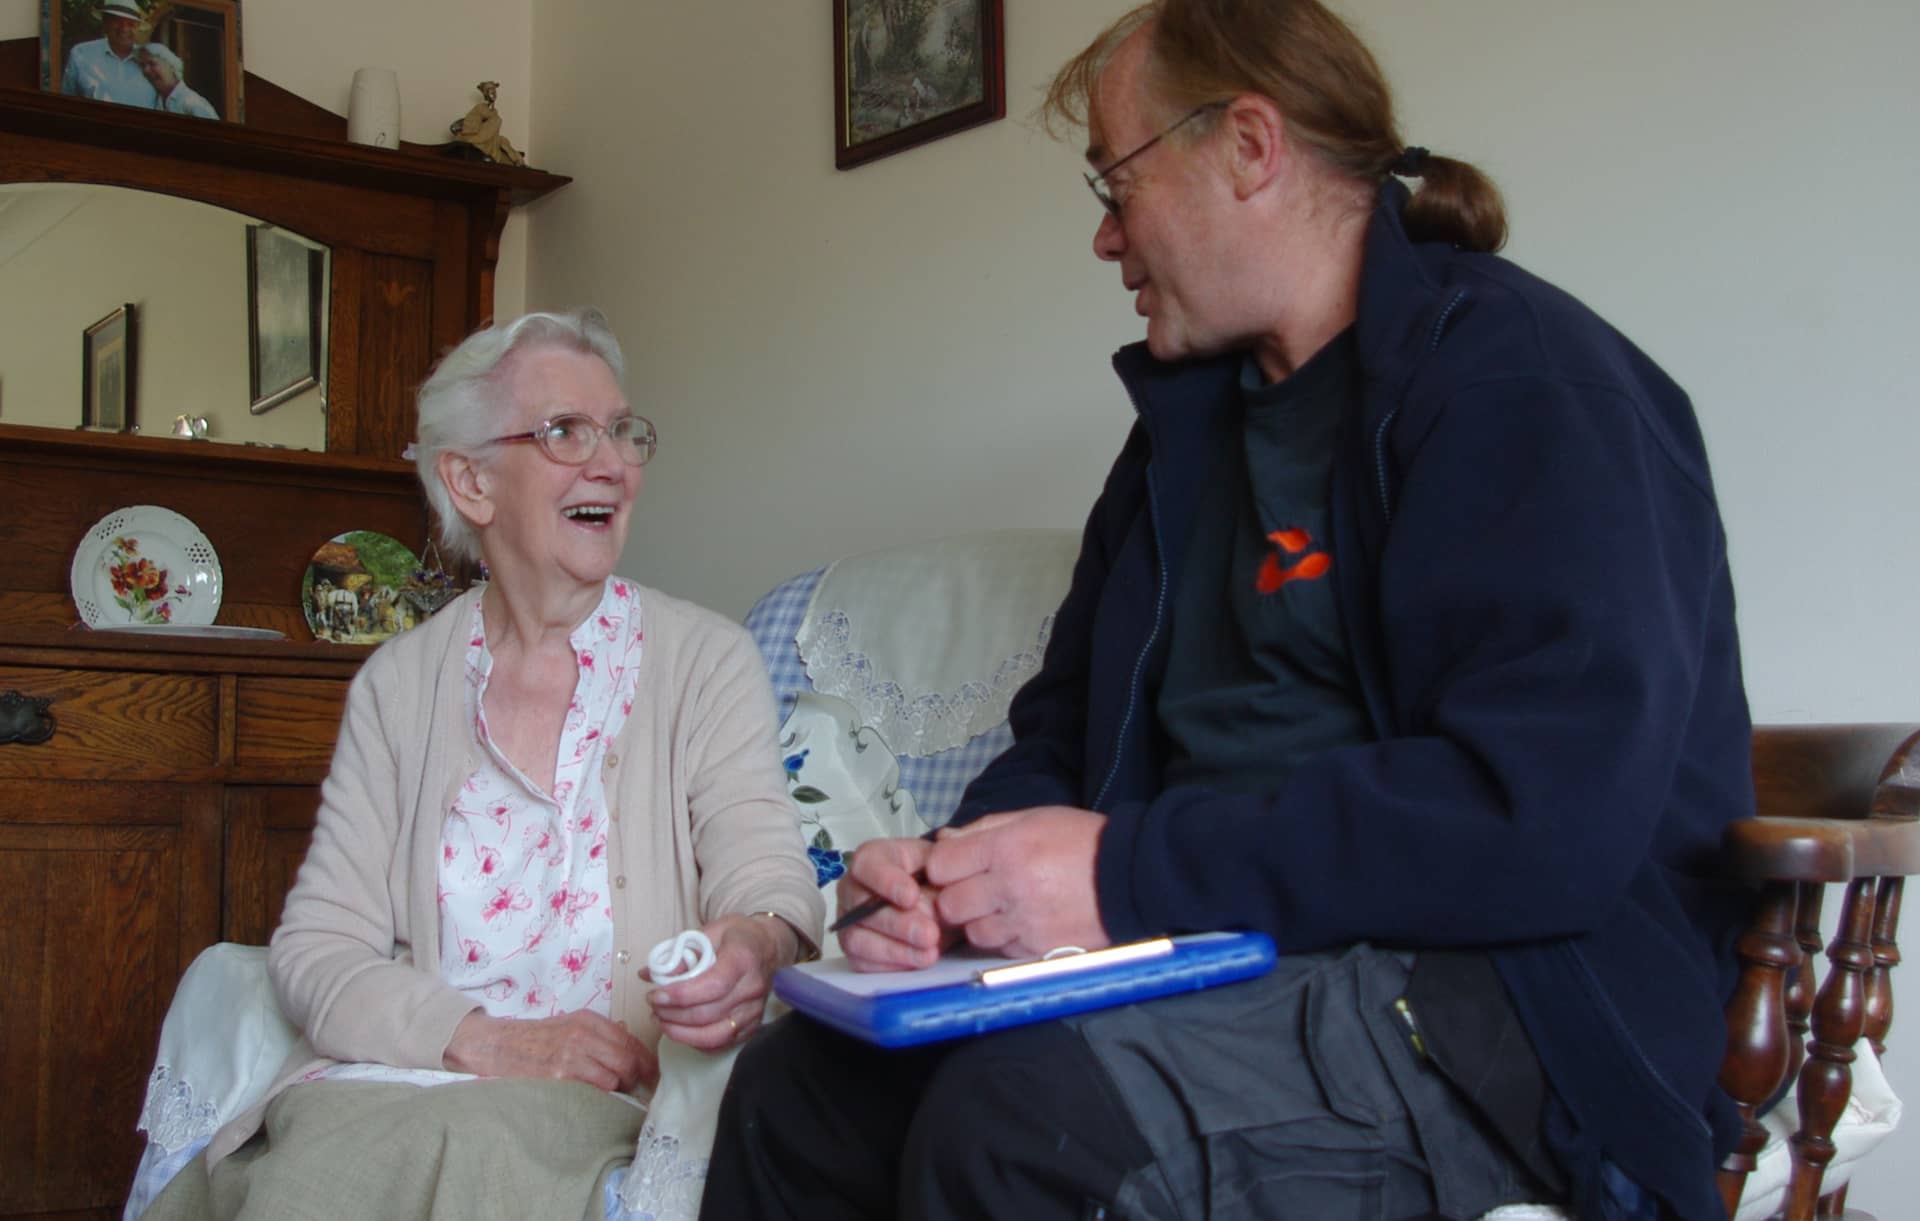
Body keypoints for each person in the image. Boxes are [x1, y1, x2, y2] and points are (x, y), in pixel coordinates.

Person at [701, 3, 1754, 1220]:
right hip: (1213, 950)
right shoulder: (1175, 446)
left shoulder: (1529, 383)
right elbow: (1060, 735)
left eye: (1117, 182)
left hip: (1496, 1000)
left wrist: (1124, 875)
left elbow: (1542, 817)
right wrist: (952, 884)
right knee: (800, 1093)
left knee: (1026, 1126)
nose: (1105, 238)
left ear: (1248, 146)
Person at [143, 308, 824, 1220]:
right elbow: (317, 945)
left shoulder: (704, 661)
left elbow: (768, 877)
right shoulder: (401, 684)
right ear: (470, 482)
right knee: (316, 1170)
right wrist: (481, 1039)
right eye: (564, 431)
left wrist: (756, 942)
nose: (612, 462)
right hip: (410, 1083)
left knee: (469, 1159)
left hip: (597, 1111)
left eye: (623, 431)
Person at [59, 0, 158, 108]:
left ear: (138, 28)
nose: (124, 29)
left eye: (131, 24)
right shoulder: (81, 54)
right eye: (117, 22)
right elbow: (66, 103)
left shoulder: (153, 61)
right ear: (105, 23)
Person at [138, 43, 219, 120]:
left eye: (152, 64)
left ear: (171, 65)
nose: (146, 70)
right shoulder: (153, 101)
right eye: (142, 65)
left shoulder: (192, 102)